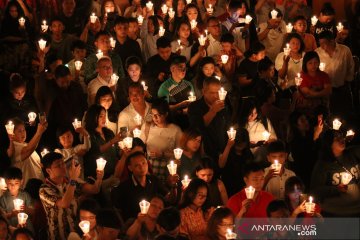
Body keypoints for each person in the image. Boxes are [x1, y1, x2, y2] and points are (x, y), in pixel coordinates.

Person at [39, 152, 103, 240]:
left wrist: (99, 177)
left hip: (76, 230)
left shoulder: (70, 181)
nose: (63, 167)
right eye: (58, 165)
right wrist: (73, 179)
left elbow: (94, 190)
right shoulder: (44, 189)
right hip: (58, 233)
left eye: (63, 163)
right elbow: (65, 203)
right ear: (48, 170)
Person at [111, 152, 178, 221]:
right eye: (137, 165)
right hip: (135, 223)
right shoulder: (124, 187)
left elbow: (170, 199)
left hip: (155, 220)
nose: (142, 167)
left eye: (143, 163)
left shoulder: (153, 180)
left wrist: (173, 185)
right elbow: (118, 211)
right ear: (130, 168)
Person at [310, 129, 360, 217]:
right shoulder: (323, 165)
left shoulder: (352, 154)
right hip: (336, 214)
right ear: (328, 143)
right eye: (336, 138)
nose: (341, 139)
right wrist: (336, 189)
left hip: (356, 211)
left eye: (341, 137)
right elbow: (315, 191)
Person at [188, 77, 231, 162]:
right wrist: (213, 111)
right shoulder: (194, 107)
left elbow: (227, 127)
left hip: (223, 151)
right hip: (205, 153)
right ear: (204, 91)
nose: (216, 96)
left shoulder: (225, 106)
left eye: (218, 92)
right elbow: (196, 127)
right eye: (212, 93)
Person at [140, 99, 182, 182]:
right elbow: (140, 146)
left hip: (167, 169)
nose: (155, 118)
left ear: (166, 114)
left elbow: (180, 155)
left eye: (158, 115)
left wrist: (162, 154)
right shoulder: (147, 127)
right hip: (149, 167)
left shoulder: (175, 130)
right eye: (153, 114)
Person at [315, 30, 355, 117]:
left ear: (332, 41)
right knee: (328, 114)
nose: (321, 46)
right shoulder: (317, 52)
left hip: (341, 88)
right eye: (320, 43)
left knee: (343, 114)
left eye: (324, 43)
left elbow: (350, 67)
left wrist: (347, 82)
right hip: (324, 90)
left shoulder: (345, 50)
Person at [7, 117, 46, 186]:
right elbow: (28, 150)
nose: (23, 133)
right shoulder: (14, 147)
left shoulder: (26, 144)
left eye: (24, 130)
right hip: (27, 187)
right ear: (12, 133)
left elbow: (31, 148)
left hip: (40, 184)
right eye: (19, 131)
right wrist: (39, 132)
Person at [219, 128, 253, 197]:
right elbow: (221, 165)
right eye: (238, 142)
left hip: (243, 186)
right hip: (229, 185)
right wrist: (228, 146)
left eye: (243, 143)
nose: (240, 145)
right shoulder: (227, 150)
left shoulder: (248, 153)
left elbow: (250, 170)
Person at [295, 51, 332, 116]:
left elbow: (328, 90)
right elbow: (306, 92)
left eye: (316, 62)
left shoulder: (324, 75)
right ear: (305, 64)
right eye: (310, 63)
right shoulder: (301, 76)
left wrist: (313, 95)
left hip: (322, 108)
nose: (313, 65)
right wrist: (321, 93)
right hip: (305, 109)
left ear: (319, 63)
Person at [0, 167, 34, 233]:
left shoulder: (25, 195)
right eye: (10, 183)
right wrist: (11, 214)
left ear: (21, 182)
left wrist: (26, 209)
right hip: (12, 227)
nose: (13, 186)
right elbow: (3, 217)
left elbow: (33, 211)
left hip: (26, 226)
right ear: (6, 182)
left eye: (16, 183)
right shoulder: (3, 198)